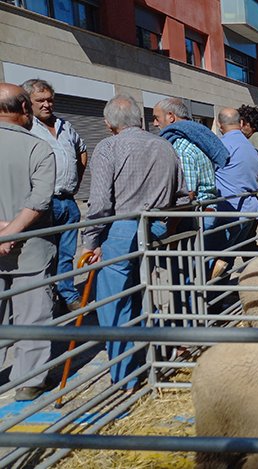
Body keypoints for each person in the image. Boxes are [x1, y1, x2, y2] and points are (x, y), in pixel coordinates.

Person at [81, 94, 186, 393]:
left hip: (122, 229)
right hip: (156, 228)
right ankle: (142, 362)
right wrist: (166, 226)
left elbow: (100, 203)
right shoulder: (165, 146)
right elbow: (181, 196)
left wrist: (90, 241)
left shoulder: (108, 147)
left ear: (109, 123)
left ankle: (125, 377)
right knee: (143, 297)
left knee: (115, 304)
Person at [0, 83, 56, 402]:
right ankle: (29, 380)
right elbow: (40, 199)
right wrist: (12, 233)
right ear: (24, 109)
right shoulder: (38, 148)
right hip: (29, 250)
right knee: (33, 313)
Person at [21, 79, 86, 312]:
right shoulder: (26, 127)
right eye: (41, 100)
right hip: (43, 202)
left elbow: (82, 150)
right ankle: (45, 300)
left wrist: (76, 181)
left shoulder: (65, 126)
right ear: (28, 102)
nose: (47, 104)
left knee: (67, 253)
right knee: (44, 254)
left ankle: (67, 295)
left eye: (50, 99)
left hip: (68, 201)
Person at [208, 107, 258, 278]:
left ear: (219, 124)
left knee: (214, 259)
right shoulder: (250, 146)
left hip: (228, 210)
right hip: (249, 209)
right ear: (240, 123)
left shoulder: (220, 145)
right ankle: (219, 298)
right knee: (228, 257)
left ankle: (212, 300)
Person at [153, 97, 218, 205]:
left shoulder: (181, 147)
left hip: (196, 214)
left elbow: (188, 194)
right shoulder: (200, 137)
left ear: (170, 116)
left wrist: (170, 222)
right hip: (206, 208)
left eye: (157, 118)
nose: (155, 123)